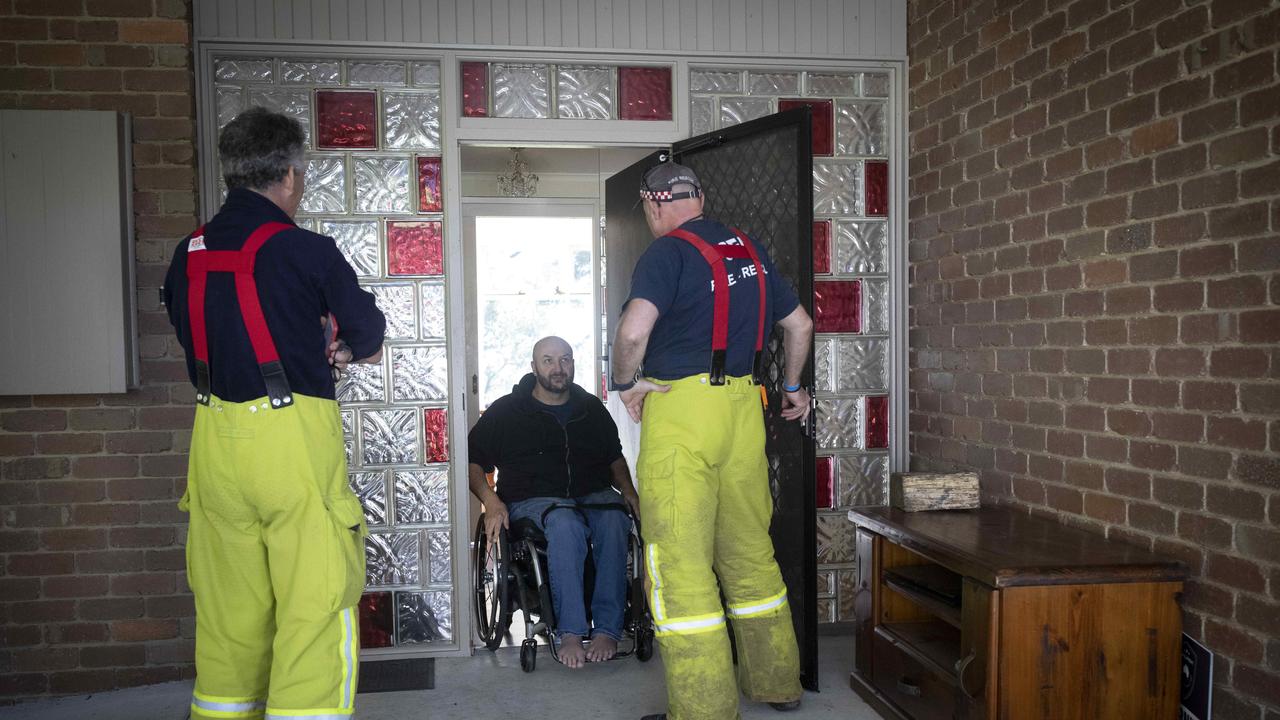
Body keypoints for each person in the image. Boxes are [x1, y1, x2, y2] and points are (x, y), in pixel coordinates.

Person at [163, 107, 386, 720]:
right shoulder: (306, 251)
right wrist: (335, 347)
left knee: (229, 614)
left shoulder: (188, 253)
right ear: (289, 174)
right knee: (313, 607)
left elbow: (195, 330)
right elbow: (368, 334)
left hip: (213, 446)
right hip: (291, 449)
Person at [610, 162, 814, 720]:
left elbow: (633, 331)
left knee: (680, 561)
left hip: (684, 412)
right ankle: (778, 683)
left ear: (654, 205)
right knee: (749, 549)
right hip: (745, 409)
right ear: (699, 196)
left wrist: (625, 383)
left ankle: (703, 709)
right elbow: (798, 326)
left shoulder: (666, 253)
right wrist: (792, 387)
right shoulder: (749, 249)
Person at [468, 336, 639, 668]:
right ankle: (571, 632)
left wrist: (628, 491)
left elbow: (613, 458)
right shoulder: (507, 411)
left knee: (615, 518)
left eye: (565, 359)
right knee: (566, 524)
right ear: (534, 367)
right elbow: (475, 463)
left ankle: (607, 628)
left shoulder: (591, 408)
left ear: (573, 364)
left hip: (591, 494)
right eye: (548, 360)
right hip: (533, 499)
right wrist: (491, 501)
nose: (558, 368)